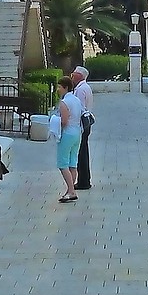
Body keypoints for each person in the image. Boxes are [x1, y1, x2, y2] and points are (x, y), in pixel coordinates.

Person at [55, 75, 83, 203]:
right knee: (73, 162)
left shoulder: (64, 102)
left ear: (65, 87)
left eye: (59, 87)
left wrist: (54, 122)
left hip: (67, 133)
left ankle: (71, 190)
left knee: (63, 163)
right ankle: (70, 190)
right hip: (77, 132)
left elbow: (64, 121)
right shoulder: (76, 100)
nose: (58, 89)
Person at [71, 66, 95, 190]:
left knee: (81, 153)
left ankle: (83, 181)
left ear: (80, 76)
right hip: (86, 122)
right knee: (83, 151)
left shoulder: (80, 90)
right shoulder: (84, 87)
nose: (72, 77)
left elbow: (77, 108)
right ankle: (84, 179)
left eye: (74, 74)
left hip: (81, 123)